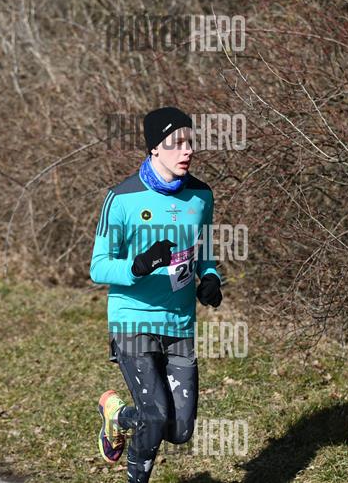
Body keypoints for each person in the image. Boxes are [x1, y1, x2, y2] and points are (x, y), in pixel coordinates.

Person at [89, 106, 223, 483]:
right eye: (176, 143)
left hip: (179, 323)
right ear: (154, 148)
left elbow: (204, 253)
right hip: (133, 319)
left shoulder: (200, 196)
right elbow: (98, 266)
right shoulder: (122, 198)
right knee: (154, 416)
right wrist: (139, 265)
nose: (187, 150)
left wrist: (211, 279)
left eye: (190, 142)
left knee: (179, 430)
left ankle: (117, 416)